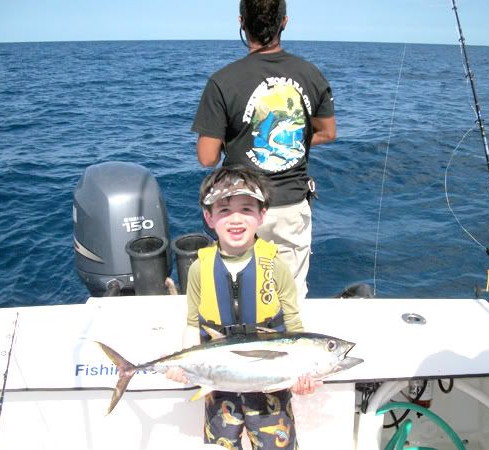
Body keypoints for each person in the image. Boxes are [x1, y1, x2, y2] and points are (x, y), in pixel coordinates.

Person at [191, 0, 336, 303]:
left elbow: (207, 157)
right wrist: (288, 142)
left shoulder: (222, 81)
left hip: (242, 208)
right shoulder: (311, 74)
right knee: (290, 296)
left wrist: (241, 142)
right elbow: (327, 132)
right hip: (291, 206)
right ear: (284, 22)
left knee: (240, 295)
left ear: (242, 22)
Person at [167, 165, 320, 449]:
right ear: (208, 217)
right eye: (224, 210)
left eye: (246, 209)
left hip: (271, 385)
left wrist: (303, 376)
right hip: (217, 383)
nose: (235, 219)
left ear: (262, 215)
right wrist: (181, 365)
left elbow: (295, 328)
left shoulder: (276, 266)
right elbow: (192, 323)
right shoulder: (200, 269)